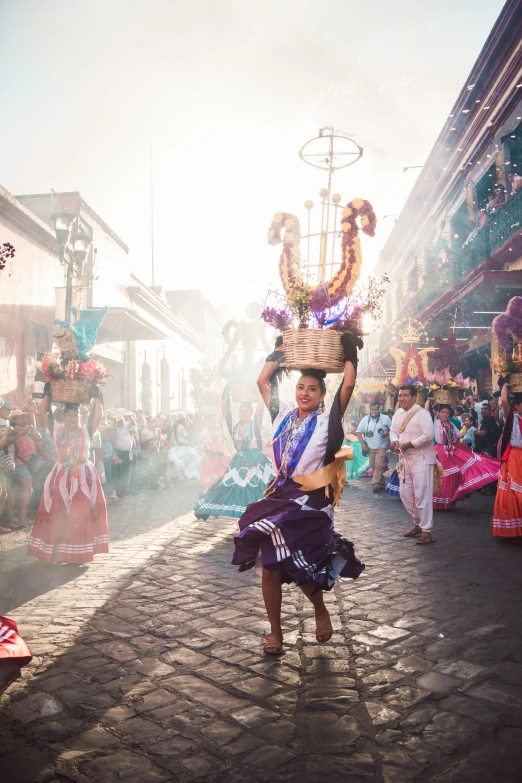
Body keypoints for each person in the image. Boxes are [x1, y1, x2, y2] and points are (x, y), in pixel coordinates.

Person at [232, 333, 365, 655]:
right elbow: (263, 380)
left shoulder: (326, 422)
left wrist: (350, 354)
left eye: (313, 389)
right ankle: (275, 633)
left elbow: (347, 387)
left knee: (288, 555)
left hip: (312, 501)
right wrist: (278, 351)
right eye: (301, 387)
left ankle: (319, 610)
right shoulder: (282, 416)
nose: (305, 393)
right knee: (272, 564)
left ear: (322, 396)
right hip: (281, 495)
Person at [28, 390, 108, 564]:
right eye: (69, 415)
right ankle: (57, 552)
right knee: (58, 510)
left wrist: (97, 397)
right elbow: (43, 412)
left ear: (80, 416)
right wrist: (47, 392)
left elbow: (98, 415)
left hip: (83, 475)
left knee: (81, 511)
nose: (73, 418)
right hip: (62, 474)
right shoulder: (57, 429)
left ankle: (77, 553)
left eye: (75, 415)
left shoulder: (86, 430)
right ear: (63, 417)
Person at [194, 392, 275, 519]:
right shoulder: (235, 425)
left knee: (257, 488)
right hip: (240, 460)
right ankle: (245, 517)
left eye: (245, 412)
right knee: (235, 488)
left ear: (250, 413)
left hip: (256, 459)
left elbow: (260, 408)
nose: (242, 414)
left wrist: (260, 392)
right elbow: (225, 412)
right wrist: (227, 391)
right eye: (240, 411)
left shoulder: (256, 424)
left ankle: (256, 516)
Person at [427, 401, 499, 510]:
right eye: (442, 412)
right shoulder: (436, 423)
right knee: (442, 476)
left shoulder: (451, 424)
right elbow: (428, 412)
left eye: (447, 412)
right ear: (438, 413)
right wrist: (429, 399)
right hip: (440, 451)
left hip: (451, 450)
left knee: (451, 476)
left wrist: (468, 429)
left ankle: (448, 503)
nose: (445, 414)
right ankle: (438, 502)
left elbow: (459, 435)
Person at [390, 385, 436, 545]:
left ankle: (426, 531)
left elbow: (429, 435)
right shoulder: (398, 413)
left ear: (414, 397)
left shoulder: (422, 413)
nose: (401, 398)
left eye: (405, 395)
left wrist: (410, 444)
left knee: (422, 495)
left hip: (421, 459)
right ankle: (418, 523)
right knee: (406, 494)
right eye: (400, 395)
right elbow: (393, 430)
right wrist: (394, 440)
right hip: (405, 460)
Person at [492, 376, 522, 539]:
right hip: (515, 458)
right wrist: (505, 383)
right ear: (516, 406)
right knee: (514, 493)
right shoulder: (513, 418)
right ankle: (513, 529)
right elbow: (504, 400)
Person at [5, 409, 42, 530]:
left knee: (18, 493)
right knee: (22, 491)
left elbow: (38, 437)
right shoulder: (15, 428)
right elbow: (33, 429)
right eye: (21, 417)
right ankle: (16, 519)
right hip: (16, 464)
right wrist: (31, 413)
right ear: (14, 419)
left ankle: (19, 518)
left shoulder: (25, 428)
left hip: (21, 464)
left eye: (25, 417)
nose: (24, 419)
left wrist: (30, 415)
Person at [356, 403, 391, 493]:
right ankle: (382, 484)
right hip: (370, 448)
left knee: (379, 466)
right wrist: (362, 444)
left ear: (379, 409)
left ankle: (375, 484)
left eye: (376, 409)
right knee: (374, 467)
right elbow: (359, 432)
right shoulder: (365, 419)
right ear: (370, 410)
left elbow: (393, 430)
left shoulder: (386, 419)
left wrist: (387, 433)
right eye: (372, 409)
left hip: (381, 446)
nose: (374, 411)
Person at [199, 425, 230, 490]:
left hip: (217, 448)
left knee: (223, 462)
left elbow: (222, 452)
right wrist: (207, 451)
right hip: (209, 453)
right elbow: (203, 445)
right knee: (211, 471)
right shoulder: (205, 431)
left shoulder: (217, 429)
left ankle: (218, 485)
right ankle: (213, 486)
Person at [112, 414, 134, 496]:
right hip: (120, 452)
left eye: (121, 421)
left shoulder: (126, 426)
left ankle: (125, 490)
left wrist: (130, 416)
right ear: (117, 422)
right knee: (120, 472)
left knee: (127, 472)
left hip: (128, 452)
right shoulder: (115, 429)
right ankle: (119, 491)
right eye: (119, 421)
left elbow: (133, 423)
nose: (121, 423)